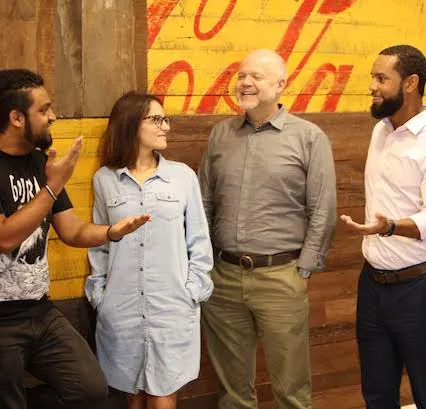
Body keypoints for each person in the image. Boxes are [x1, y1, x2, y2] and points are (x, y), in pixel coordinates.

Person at [0, 69, 150, 409]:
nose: (53, 116)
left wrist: (112, 232)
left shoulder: (40, 163)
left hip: (41, 311)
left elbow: (71, 231)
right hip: (2, 320)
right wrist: (52, 187)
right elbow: (5, 239)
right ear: (16, 117)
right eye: (44, 109)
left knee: (91, 389)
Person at [198, 49, 336, 409]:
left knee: (291, 391)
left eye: (256, 76)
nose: (245, 82)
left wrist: (303, 269)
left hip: (281, 277)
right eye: (242, 75)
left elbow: (323, 208)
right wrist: (205, 263)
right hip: (223, 278)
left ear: (281, 84)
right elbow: (204, 203)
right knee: (232, 393)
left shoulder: (309, 137)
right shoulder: (220, 135)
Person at [85, 91, 214, 409]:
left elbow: (198, 241)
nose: (165, 126)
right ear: (131, 124)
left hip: (171, 307)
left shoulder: (182, 177)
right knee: (133, 396)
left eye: (165, 118)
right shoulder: (105, 180)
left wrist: (192, 291)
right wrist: (100, 295)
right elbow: (100, 242)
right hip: (122, 308)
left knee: (162, 395)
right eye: (156, 119)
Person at [341, 45, 426, 409]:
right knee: (376, 394)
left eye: (381, 78)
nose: (372, 86)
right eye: (372, 78)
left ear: (410, 83)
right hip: (373, 285)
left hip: (418, 288)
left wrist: (388, 226)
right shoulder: (380, 131)